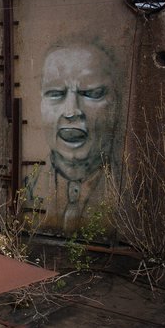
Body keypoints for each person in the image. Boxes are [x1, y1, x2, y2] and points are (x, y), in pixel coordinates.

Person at [25, 43, 119, 232]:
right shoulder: (28, 187)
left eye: (91, 93)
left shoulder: (130, 190)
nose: (71, 111)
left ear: (116, 103)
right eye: (55, 94)